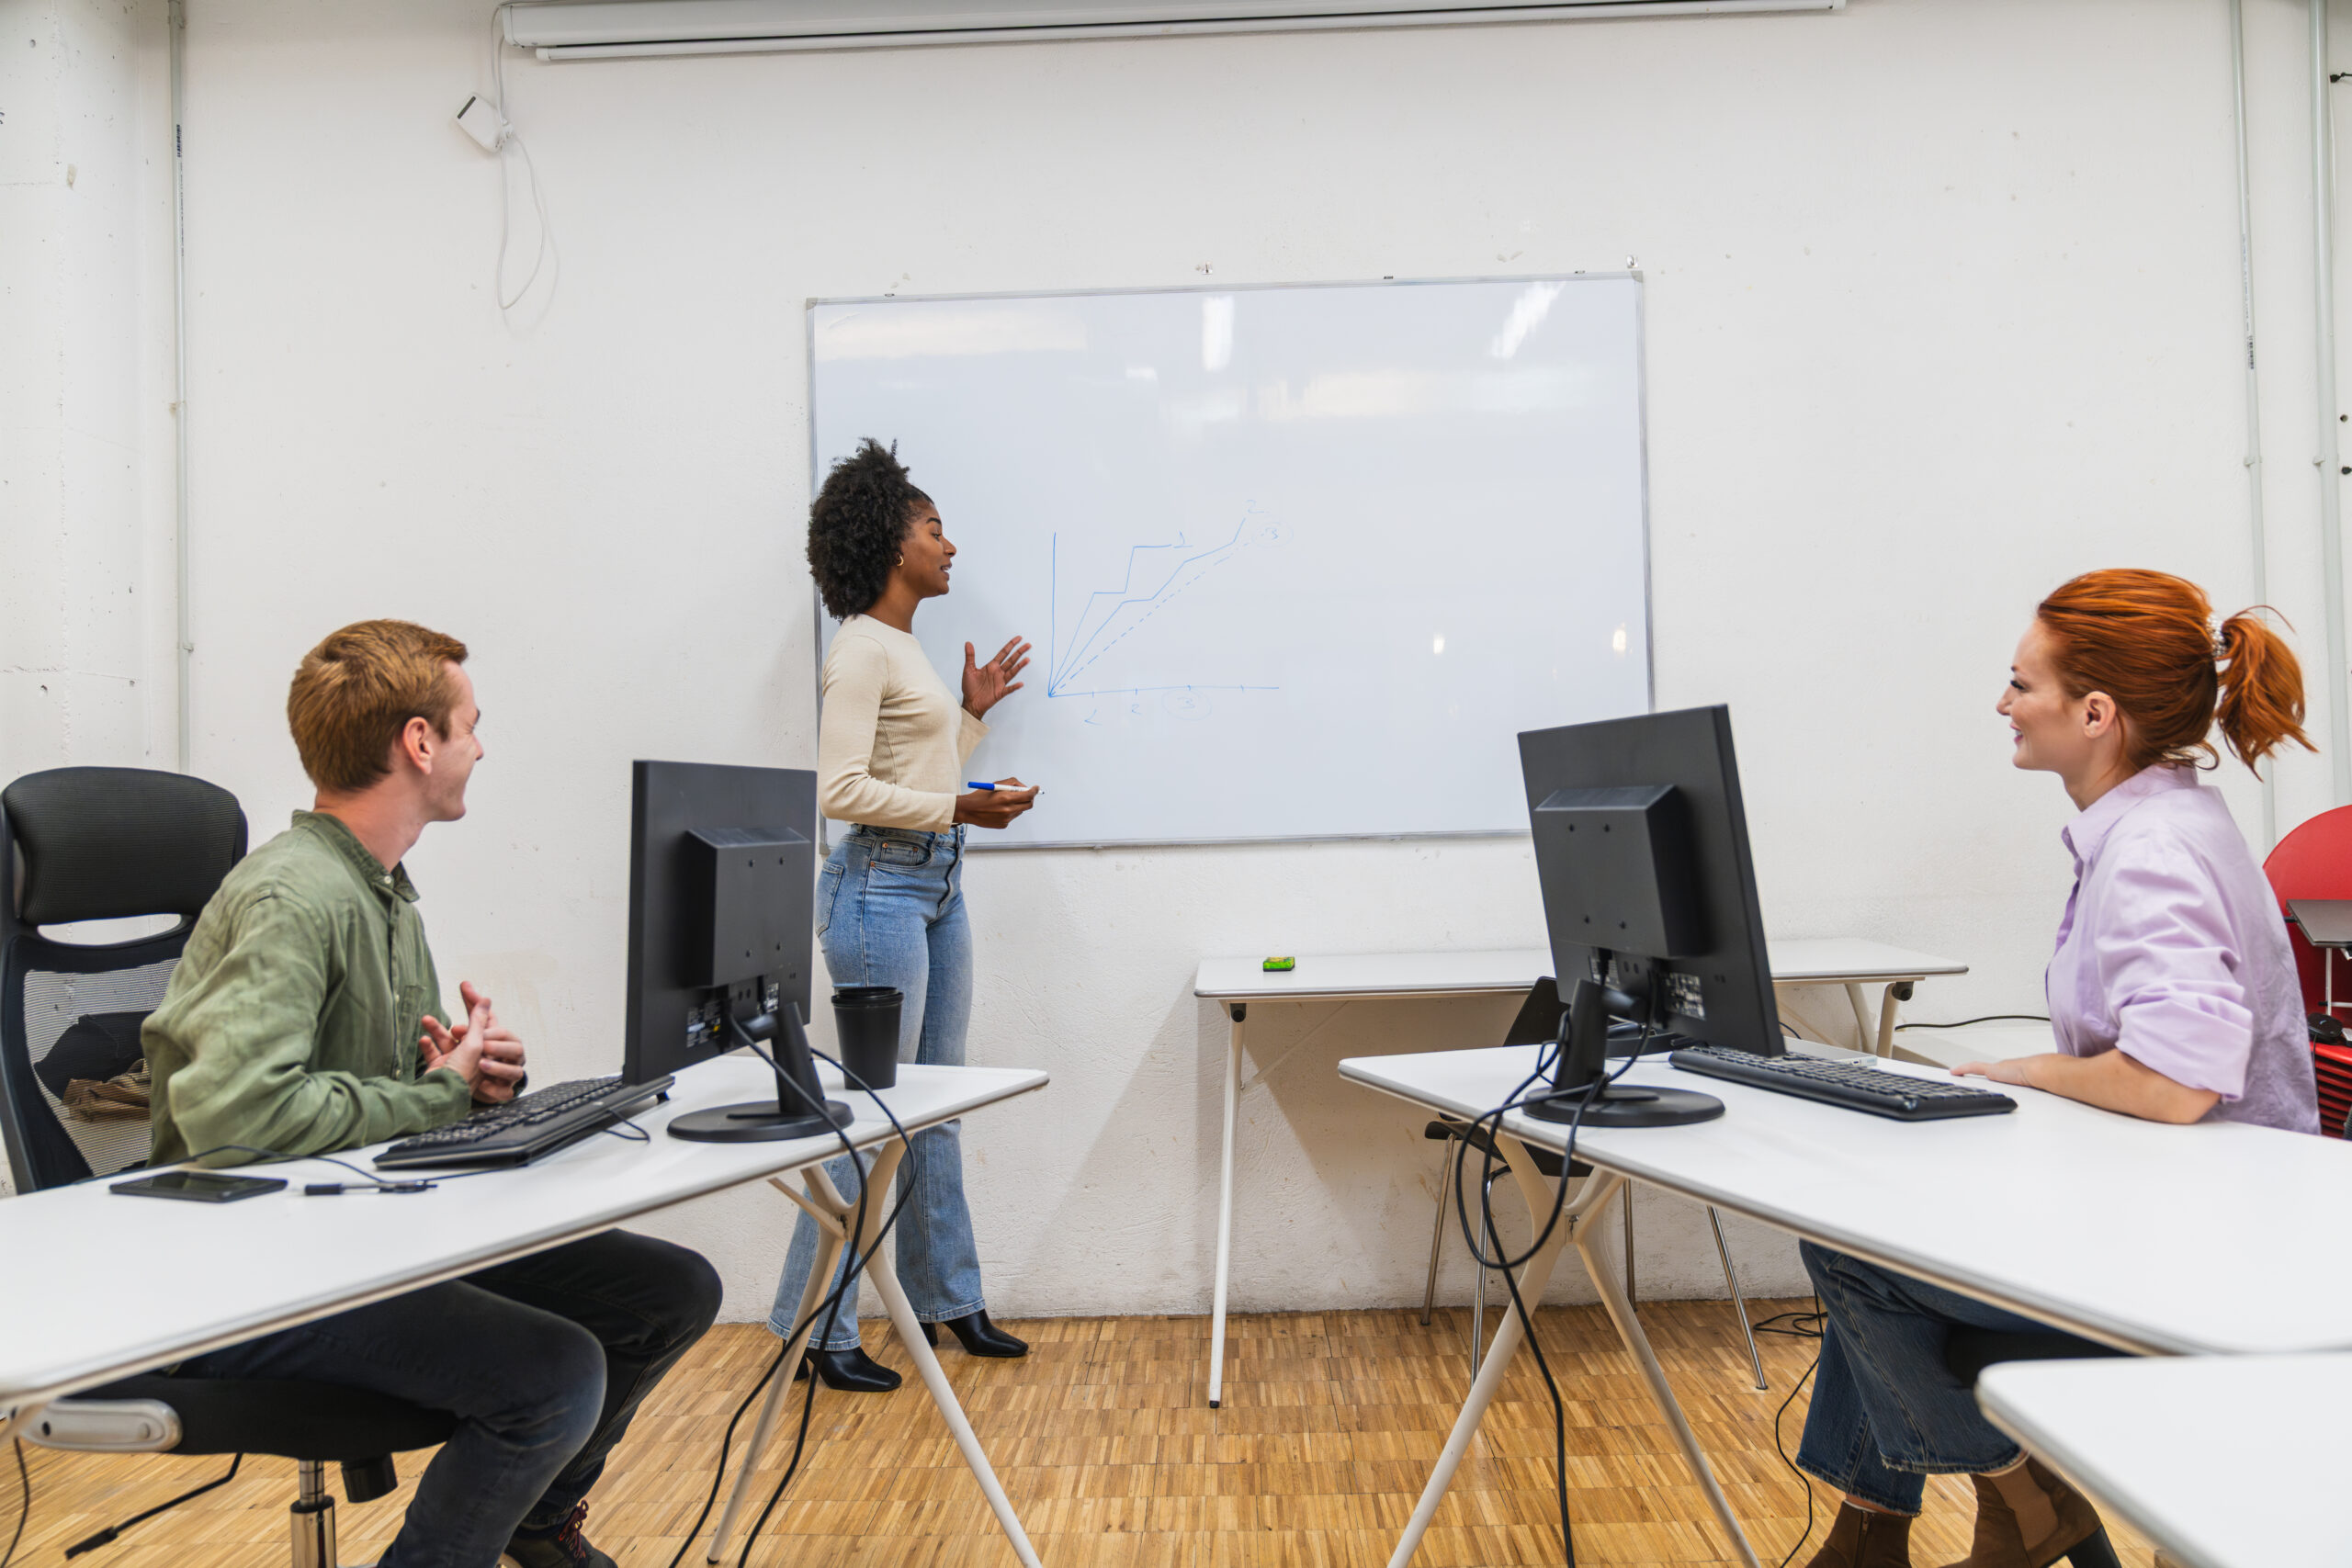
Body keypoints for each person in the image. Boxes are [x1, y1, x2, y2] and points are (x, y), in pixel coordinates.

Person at [141, 620, 721, 1568]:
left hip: (359, 1239)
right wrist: (436, 1097)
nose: (480, 748)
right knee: (555, 1373)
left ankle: (535, 1521)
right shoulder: (294, 898)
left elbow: (382, 1092)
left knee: (668, 1290)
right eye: (470, 725)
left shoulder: (382, 893)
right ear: (419, 741)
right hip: (256, 1275)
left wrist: (471, 1081)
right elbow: (236, 1120)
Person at [1798, 570, 2322, 1568]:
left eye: (2020, 683)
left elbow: (2177, 1082)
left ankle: (2021, 1501)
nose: (2003, 703)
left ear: (2094, 713)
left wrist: (2029, 1071)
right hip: (2176, 1214)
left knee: (1858, 1249)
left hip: (2198, 1263)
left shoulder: (2152, 850)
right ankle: (1880, 1532)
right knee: (1875, 1221)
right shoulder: (2156, 824)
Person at [767, 439, 1036, 1392]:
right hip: (877, 889)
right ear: (892, 541)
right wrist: (958, 805)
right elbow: (840, 790)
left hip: (934, 885)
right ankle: (815, 1329)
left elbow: (910, 772)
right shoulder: (857, 650)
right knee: (872, 1116)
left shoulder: (903, 646)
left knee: (937, 1106)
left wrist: (968, 720)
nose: (948, 545)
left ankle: (947, 1297)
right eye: (933, 528)